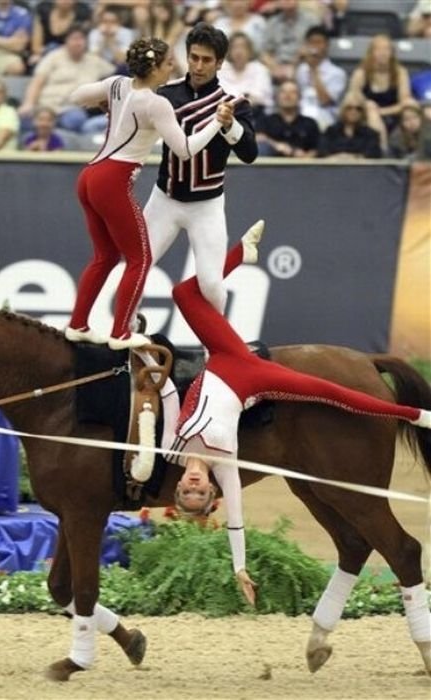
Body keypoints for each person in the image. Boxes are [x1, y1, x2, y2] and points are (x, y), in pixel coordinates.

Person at [169, 230, 431, 604]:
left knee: (182, 294)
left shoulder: (172, 451)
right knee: (334, 394)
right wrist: (239, 567)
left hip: (223, 356)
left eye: (186, 490)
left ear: (178, 485)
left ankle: (243, 252)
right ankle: (417, 415)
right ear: (213, 492)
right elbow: (236, 523)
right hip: (253, 378)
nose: (194, 483)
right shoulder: (225, 467)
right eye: (199, 492)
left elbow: (160, 398)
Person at [65, 36, 232, 350]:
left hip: (88, 176)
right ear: (155, 68)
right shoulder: (157, 104)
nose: (174, 68)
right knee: (139, 260)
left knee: (105, 256)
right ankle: (120, 333)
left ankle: (77, 324)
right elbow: (183, 150)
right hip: (113, 181)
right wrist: (215, 124)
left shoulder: (117, 84)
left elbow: (76, 95)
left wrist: (107, 104)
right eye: (169, 63)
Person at [143, 22, 258, 317]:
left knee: (210, 283)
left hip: (206, 205)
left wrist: (230, 124)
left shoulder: (233, 101)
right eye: (194, 57)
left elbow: (249, 154)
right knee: (135, 269)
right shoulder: (166, 93)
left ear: (219, 63)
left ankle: (218, 352)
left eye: (206, 60)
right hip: (164, 199)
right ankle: (126, 339)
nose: (198, 65)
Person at [18, 25, 115, 135]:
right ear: (66, 42)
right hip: (46, 106)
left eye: (81, 39)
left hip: (71, 109)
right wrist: (29, 103)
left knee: (76, 119)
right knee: (25, 118)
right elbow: (37, 82)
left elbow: (118, 73)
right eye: (74, 39)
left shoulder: (95, 61)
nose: (77, 43)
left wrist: (109, 41)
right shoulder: (53, 57)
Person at [347, 34, 413, 153]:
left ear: (392, 53)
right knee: (370, 109)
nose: (383, 53)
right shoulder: (361, 74)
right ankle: (382, 150)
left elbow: (405, 102)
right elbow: (353, 100)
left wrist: (381, 112)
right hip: (366, 117)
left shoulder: (400, 73)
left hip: (394, 114)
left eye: (387, 49)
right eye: (378, 49)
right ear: (371, 53)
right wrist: (370, 108)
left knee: (412, 104)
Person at [295, 24, 346, 130]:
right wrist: (297, 61)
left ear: (326, 45)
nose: (315, 46)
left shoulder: (337, 73)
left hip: (325, 116)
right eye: (311, 42)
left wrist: (314, 70)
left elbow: (325, 101)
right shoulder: (301, 69)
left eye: (318, 42)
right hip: (300, 114)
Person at [255, 78, 319, 157]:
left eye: (293, 92)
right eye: (283, 92)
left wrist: (306, 158)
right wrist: (277, 145)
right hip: (270, 165)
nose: (287, 95)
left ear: (300, 98)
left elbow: (316, 149)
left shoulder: (310, 123)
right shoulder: (265, 120)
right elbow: (259, 138)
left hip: (301, 166)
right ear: (277, 97)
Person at [218, 30, 274, 118]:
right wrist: (246, 96)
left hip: (255, 114)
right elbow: (219, 95)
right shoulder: (222, 69)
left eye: (243, 47)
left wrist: (237, 99)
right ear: (228, 50)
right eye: (235, 47)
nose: (239, 51)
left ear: (250, 50)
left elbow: (261, 98)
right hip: (226, 113)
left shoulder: (259, 69)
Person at [260, 0, 318, 83]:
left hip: (302, 64)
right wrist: (275, 67)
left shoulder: (311, 21)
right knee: (260, 71)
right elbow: (264, 53)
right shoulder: (272, 23)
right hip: (276, 65)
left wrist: (295, 65)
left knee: (304, 70)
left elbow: (316, 47)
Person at [29, 0, 93, 67]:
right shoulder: (43, 10)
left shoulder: (83, 13)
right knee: (34, 61)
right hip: (43, 54)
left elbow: (78, 45)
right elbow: (36, 47)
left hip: (70, 57)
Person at [318, 92, 381, 160]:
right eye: (349, 108)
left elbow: (372, 155)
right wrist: (338, 158)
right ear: (343, 110)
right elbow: (322, 153)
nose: (353, 111)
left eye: (358, 109)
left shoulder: (371, 134)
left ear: (363, 112)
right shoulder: (331, 131)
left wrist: (352, 158)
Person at [88, 5, 134, 72]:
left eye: (112, 22)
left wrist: (111, 41)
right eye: (105, 21)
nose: (108, 25)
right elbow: (93, 58)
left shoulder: (126, 33)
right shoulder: (95, 33)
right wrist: (104, 40)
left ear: (119, 23)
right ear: (100, 23)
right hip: (100, 67)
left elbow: (123, 60)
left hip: (118, 68)